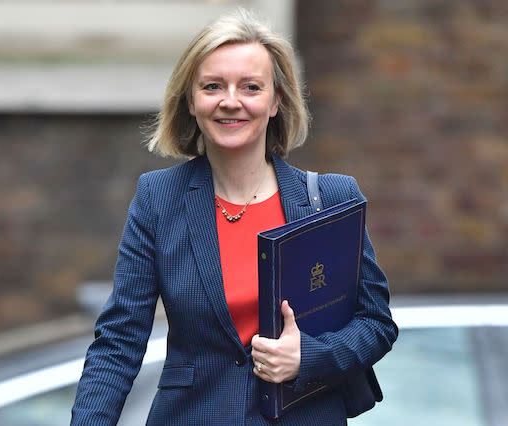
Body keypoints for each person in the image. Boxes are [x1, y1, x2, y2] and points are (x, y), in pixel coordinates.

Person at [70, 8, 397, 426]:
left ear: (276, 100)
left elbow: (376, 323)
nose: (230, 101)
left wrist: (307, 358)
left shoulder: (330, 199)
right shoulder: (158, 199)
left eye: (250, 87)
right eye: (212, 86)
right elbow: (119, 341)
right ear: (191, 100)